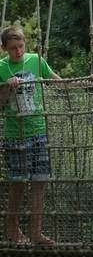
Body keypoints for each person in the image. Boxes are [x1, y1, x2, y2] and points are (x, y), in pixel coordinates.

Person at [0, 25, 66, 244]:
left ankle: (36, 233)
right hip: (15, 133)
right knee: (17, 184)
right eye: (12, 49)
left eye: (20, 46)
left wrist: (84, 84)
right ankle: (12, 231)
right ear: (4, 49)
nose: (18, 52)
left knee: (39, 182)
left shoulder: (36, 61)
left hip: (38, 130)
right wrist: (7, 88)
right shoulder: (1, 68)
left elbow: (57, 81)